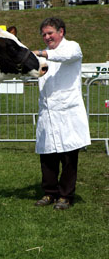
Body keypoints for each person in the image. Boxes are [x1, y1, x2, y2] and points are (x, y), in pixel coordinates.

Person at [33, 17, 91, 210]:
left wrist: (40, 54)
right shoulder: (43, 56)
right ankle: (49, 193)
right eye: (44, 34)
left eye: (50, 33)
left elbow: (63, 56)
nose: (47, 37)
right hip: (48, 112)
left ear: (61, 32)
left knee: (68, 156)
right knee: (47, 155)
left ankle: (65, 195)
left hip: (67, 112)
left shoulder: (73, 47)